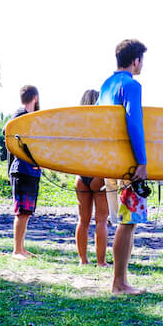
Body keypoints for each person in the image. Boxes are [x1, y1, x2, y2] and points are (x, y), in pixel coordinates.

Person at [98, 39, 149, 295]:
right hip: (128, 165)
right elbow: (134, 123)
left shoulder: (106, 85)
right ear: (135, 60)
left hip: (110, 163)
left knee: (123, 220)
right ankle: (119, 282)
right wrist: (141, 161)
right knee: (127, 222)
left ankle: (122, 279)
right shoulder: (131, 85)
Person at [3, 85, 41, 259]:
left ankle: (21, 248)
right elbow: (7, 130)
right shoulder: (21, 114)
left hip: (29, 171)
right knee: (22, 211)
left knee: (26, 212)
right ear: (35, 98)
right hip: (22, 170)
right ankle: (17, 250)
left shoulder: (28, 118)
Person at [74, 89, 110, 266]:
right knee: (101, 221)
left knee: (83, 220)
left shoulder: (78, 126)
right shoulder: (102, 125)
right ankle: (101, 262)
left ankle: (83, 261)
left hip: (81, 176)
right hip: (98, 175)